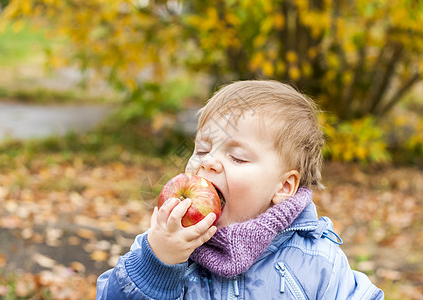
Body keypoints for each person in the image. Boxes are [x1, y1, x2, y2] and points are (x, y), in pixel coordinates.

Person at [95, 80, 384, 299]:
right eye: (202, 149)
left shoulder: (316, 260)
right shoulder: (163, 246)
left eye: (237, 157)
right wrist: (158, 261)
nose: (208, 162)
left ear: (283, 186)